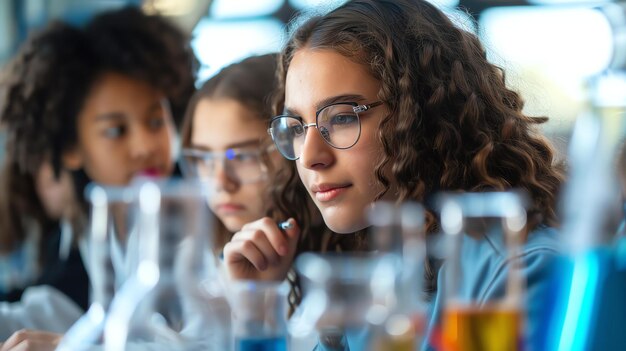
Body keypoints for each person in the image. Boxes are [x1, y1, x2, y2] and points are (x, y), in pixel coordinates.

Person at [222, 0, 564, 350]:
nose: (310, 156)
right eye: (297, 127)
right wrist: (258, 307)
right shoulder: (369, 267)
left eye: (341, 118)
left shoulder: (514, 273)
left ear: (422, 115)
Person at [0, 6, 197, 349]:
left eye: (155, 121)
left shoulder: (203, 212)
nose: (144, 146)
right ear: (71, 149)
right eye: (116, 130)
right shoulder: (91, 238)